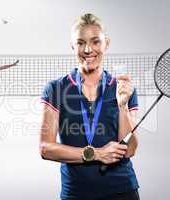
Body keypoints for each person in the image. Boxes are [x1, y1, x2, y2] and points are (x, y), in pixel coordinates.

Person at [39, 13, 140, 200]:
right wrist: (96, 154)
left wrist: (122, 105)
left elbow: (130, 148)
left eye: (95, 42)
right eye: (80, 43)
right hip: (76, 193)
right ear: (72, 46)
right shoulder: (56, 89)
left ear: (106, 44)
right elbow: (45, 148)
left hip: (122, 190)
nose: (88, 49)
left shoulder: (124, 87)